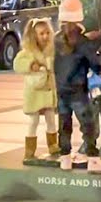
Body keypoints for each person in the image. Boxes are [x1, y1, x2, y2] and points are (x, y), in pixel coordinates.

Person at [51, 0, 101, 173]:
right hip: (78, 91)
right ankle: (93, 160)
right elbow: (96, 63)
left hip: (61, 90)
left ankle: (65, 159)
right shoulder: (83, 41)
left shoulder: (57, 39)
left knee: (64, 125)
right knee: (88, 125)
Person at [15, 18, 59, 159]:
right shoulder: (27, 51)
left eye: (47, 33)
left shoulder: (52, 50)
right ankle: (30, 148)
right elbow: (17, 64)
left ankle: (53, 145)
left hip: (48, 89)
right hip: (34, 91)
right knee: (33, 121)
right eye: (41, 34)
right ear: (34, 35)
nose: (45, 36)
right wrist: (30, 65)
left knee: (51, 119)